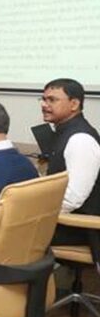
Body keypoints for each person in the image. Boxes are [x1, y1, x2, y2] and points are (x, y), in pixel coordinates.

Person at [41, 79, 100, 265]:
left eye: (52, 100)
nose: (44, 105)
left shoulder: (80, 139)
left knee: (10, 232)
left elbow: (72, 198)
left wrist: (36, 211)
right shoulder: (64, 132)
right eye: (43, 99)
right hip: (66, 220)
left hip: (79, 228)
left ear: (74, 104)